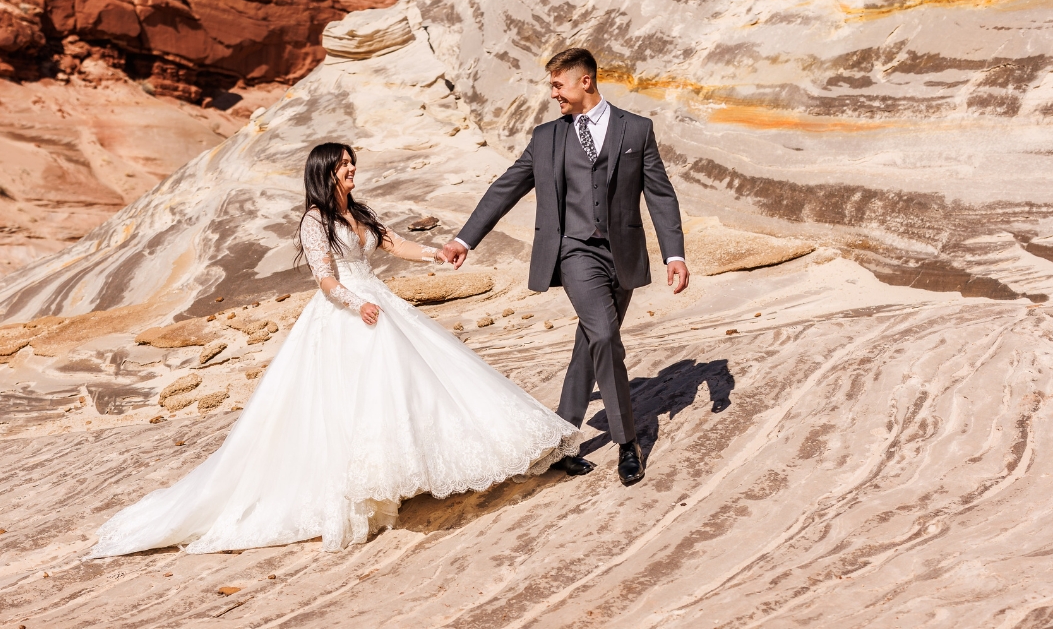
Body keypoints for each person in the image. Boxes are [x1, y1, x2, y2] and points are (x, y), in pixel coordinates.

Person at [89, 142, 578, 557]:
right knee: (353, 400)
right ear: (326, 171)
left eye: (352, 161)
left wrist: (440, 251)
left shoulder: (357, 212)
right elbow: (324, 280)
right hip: (348, 311)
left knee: (416, 382)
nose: (352, 168)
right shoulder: (314, 219)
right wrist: (356, 302)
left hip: (379, 302)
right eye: (344, 163)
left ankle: (412, 473)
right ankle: (362, 489)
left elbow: (393, 245)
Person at [439, 48, 689, 486]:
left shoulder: (637, 129)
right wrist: (465, 238)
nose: (553, 93)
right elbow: (506, 187)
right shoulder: (546, 137)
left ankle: (563, 441)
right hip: (574, 252)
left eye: (558, 85)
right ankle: (628, 442)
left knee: (590, 344)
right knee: (606, 334)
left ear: (585, 82)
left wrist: (675, 254)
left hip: (624, 253)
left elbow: (661, 195)